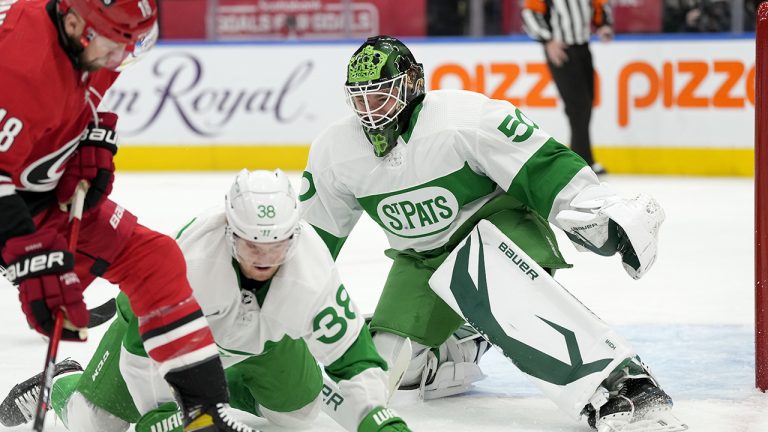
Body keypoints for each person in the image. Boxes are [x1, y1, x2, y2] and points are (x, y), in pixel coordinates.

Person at [299, 35, 687, 431]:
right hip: (421, 262)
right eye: (360, 99)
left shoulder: (464, 118)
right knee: (387, 367)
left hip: (499, 235)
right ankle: (462, 341)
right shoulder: (335, 152)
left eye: (380, 95)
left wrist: (595, 207)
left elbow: (538, 161)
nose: (369, 111)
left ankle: (623, 382)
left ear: (412, 83)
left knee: (481, 275)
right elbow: (310, 242)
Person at [0, 1, 252, 430]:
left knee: (154, 259)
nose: (119, 59)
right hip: (13, 206)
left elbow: (82, 93)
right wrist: (30, 258)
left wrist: (89, 135)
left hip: (43, 196)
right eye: (114, 46)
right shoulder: (19, 71)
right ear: (74, 23)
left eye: (129, 46)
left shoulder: (96, 37)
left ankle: (205, 413)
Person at [0, 169, 411, 432]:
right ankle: (60, 386)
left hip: (265, 345)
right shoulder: (191, 260)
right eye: (252, 244)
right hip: (173, 348)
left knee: (299, 420)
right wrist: (159, 411)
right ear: (230, 230)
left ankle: (224, 392)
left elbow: (354, 358)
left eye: (276, 245)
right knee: (95, 424)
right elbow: (142, 351)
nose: (264, 259)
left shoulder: (313, 271)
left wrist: (375, 416)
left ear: (295, 234)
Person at [521, 0, 613, 174]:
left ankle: (584, 159)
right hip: (562, 48)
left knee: (585, 103)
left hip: (583, 47)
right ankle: (582, 161)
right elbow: (530, 13)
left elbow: (600, 5)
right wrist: (548, 40)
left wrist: (604, 24)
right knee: (578, 105)